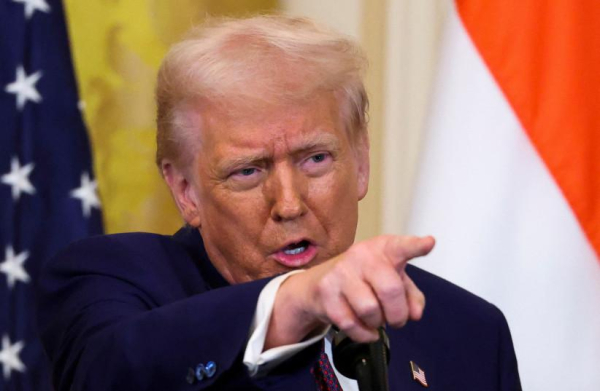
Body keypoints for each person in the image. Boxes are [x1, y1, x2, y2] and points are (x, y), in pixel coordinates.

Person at [36, 15, 521, 390]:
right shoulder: (110, 283)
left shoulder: (468, 331)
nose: (288, 205)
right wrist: (296, 301)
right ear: (185, 190)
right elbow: (114, 373)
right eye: (248, 171)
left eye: (315, 159)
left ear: (361, 160)